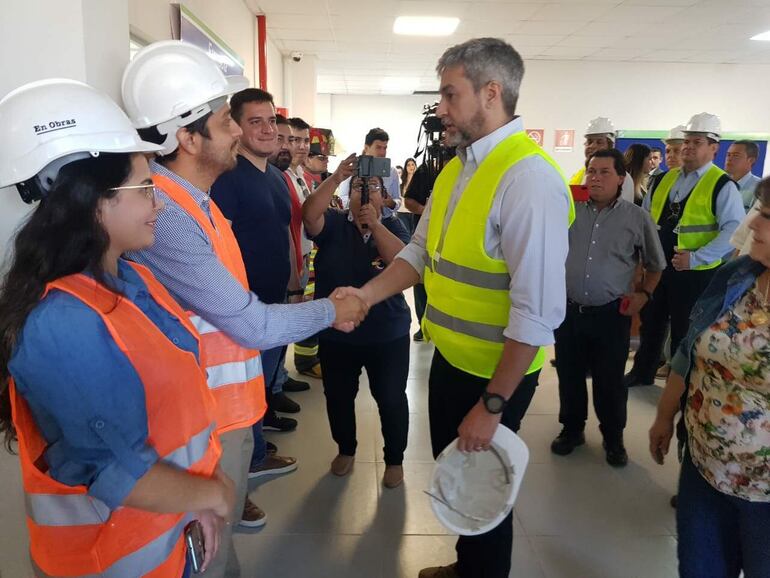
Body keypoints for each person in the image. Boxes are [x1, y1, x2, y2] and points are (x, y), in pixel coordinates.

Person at [121, 40, 367, 578]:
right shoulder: (167, 214)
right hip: (200, 419)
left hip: (219, 410)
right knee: (204, 551)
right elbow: (250, 323)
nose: (238, 130)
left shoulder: (197, 201)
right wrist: (334, 310)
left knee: (216, 545)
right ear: (187, 138)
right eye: (225, 122)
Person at [338, 37, 573, 578]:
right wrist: (366, 296)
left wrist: (492, 405)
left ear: (491, 93)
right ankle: (467, 566)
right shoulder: (456, 169)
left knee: (484, 492)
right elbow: (419, 253)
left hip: (496, 375)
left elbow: (536, 313)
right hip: (451, 359)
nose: (440, 108)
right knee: (461, 478)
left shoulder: (529, 179)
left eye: (450, 94)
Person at [0, 78, 232, 577]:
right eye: (145, 188)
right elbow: (115, 473)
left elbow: (173, 410)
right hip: (114, 561)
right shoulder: (61, 323)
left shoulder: (133, 280)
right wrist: (212, 494)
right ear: (92, 200)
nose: (159, 204)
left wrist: (195, 495)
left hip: (172, 535)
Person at [649, 177, 770, 578]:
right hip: (704, 469)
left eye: (767, 217)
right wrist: (664, 416)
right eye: (759, 212)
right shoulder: (738, 275)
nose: (753, 224)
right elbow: (690, 350)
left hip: (764, 494)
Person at [551, 149, 665, 467]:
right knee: (569, 375)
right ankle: (572, 429)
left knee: (610, 381)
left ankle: (613, 438)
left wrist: (644, 295)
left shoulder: (636, 218)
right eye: (591, 171)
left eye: (604, 172)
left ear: (620, 178)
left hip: (611, 315)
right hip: (569, 312)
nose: (595, 178)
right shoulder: (569, 210)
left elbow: (656, 264)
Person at [303, 171, 412, 488]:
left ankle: (395, 459)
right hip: (338, 333)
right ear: (348, 194)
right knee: (338, 396)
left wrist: (375, 225)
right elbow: (309, 215)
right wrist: (337, 176)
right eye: (359, 187)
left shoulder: (394, 225)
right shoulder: (334, 223)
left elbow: (403, 263)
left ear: (384, 195)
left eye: (374, 187)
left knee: (391, 398)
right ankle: (346, 448)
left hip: (387, 333)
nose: (365, 192)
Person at [625, 112, 745, 389]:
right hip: (659, 267)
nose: (688, 146)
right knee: (651, 322)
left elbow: (733, 231)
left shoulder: (722, 185)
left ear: (713, 148)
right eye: (687, 141)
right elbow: (645, 222)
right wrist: (642, 260)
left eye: (697, 142)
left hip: (695, 274)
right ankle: (642, 372)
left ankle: (680, 387)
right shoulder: (663, 180)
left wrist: (696, 258)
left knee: (684, 330)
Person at [286, 116, 324, 380]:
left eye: (304, 140)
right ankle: (276, 383)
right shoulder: (281, 176)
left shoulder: (300, 175)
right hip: (290, 257)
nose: (301, 146)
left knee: (302, 307)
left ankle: (281, 377)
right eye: (294, 140)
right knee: (290, 309)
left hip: (305, 252)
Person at [337, 127, 402, 214]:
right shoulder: (353, 169)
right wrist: (361, 200)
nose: (382, 152)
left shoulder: (392, 172)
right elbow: (342, 198)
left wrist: (391, 203)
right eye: (378, 147)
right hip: (358, 217)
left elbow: (398, 199)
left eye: (385, 148)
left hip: (386, 218)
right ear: (366, 147)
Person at [570, 117, 634, 203]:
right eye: (589, 142)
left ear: (610, 146)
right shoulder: (581, 173)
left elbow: (621, 209)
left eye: (599, 142)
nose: (592, 146)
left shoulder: (622, 178)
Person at [725, 139, 761, 211]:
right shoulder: (719, 183)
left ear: (751, 160)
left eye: (736, 155)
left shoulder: (760, 189)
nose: (729, 159)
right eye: (728, 155)